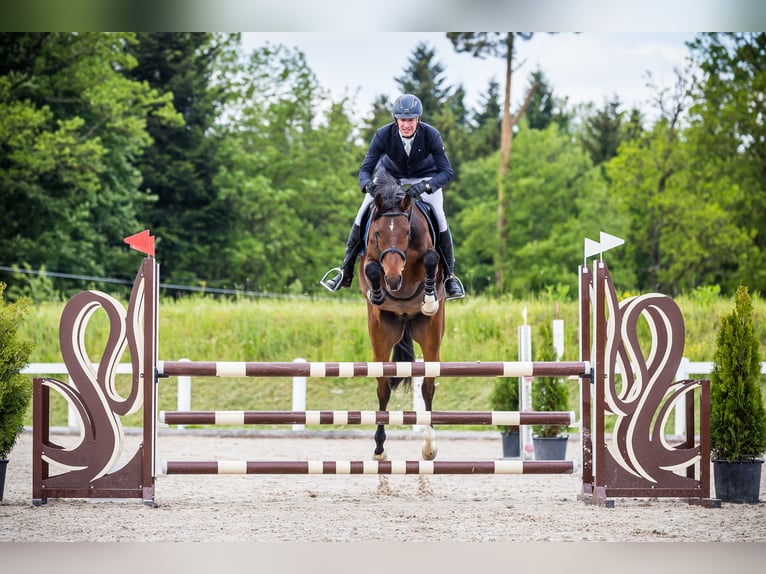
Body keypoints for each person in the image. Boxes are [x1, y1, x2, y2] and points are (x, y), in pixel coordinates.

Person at [320, 94, 465, 300]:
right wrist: (367, 186)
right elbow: (365, 169)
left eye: (411, 120)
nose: (406, 125)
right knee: (362, 212)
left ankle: (449, 277)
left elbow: (446, 172)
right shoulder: (383, 134)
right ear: (396, 119)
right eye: (402, 120)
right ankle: (345, 271)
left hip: (424, 176)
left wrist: (425, 185)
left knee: (439, 216)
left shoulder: (431, 135)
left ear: (418, 120)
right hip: (390, 176)